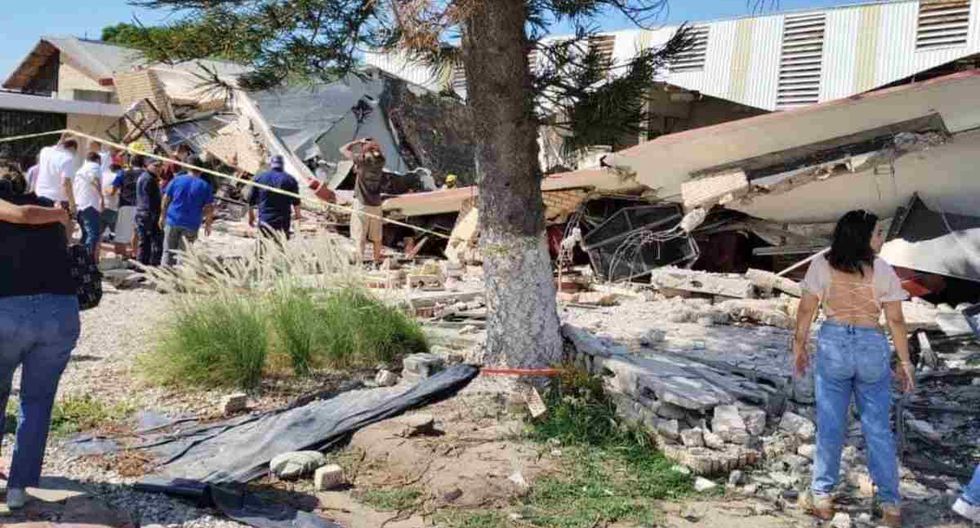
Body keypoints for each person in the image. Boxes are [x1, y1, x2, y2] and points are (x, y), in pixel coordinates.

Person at [793, 210, 915, 527]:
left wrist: (800, 346)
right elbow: (896, 320)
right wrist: (905, 362)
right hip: (871, 344)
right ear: (861, 237)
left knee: (831, 424)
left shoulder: (822, 264)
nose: (881, 238)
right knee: (877, 429)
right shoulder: (883, 270)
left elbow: (806, 309)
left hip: (834, 343)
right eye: (877, 233)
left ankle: (822, 498)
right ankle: (890, 506)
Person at [0, 168, 79, 511]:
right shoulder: (49, 208)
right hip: (59, 311)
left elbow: (20, 215)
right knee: (37, 401)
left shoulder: (13, 210)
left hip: (7, 310)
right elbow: (70, 233)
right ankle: (19, 488)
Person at [160, 158, 214, 266]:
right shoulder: (205, 186)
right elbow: (208, 208)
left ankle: (164, 278)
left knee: (167, 252)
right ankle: (179, 280)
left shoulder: (177, 180)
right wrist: (208, 224)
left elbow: (166, 198)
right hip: (191, 224)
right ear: (201, 170)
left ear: (187, 167)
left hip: (172, 220)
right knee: (183, 256)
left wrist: (162, 216)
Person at [340, 138, 385, 263]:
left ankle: (360, 262)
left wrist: (357, 142)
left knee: (360, 235)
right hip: (376, 204)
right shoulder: (380, 161)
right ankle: (376, 260)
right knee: (377, 236)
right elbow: (379, 152)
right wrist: (374, 145)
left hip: (362, 203)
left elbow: (343, 149)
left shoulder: (362, 161)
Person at [248, 155, 301, 239]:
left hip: (265, 220)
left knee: (263, 246)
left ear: (271, 164)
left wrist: (251, 217)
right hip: (283, 221)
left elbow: (251, 200)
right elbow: (296, 201)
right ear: (282, 165)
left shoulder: (259, 178)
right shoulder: (290, 179)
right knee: (281, 247)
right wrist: (298, 216)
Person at [73, 152, 104, 260]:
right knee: (93, 234)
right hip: (91, 204)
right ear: (98, 160)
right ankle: (88, 260)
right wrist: (101, 197)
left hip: (80, 204)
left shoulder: (80, 170)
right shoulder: (95, 167)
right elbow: (95, 181)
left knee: (85, 234)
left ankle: (80, 259)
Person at [35, 138, 78, 213]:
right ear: (72, 148)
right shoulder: (68, 158)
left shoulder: (45, 151)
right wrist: (72, 204)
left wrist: (61, 140)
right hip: (56, 200)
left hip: (39, 194)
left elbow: (55, 149)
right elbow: (66, 183)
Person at [110, 155, 141, 258]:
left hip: (126, 205)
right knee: (137, 233)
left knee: (121, 235)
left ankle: (122, 257)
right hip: (141, 206)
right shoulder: (146, 174)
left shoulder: (123, 173)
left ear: (131, 163)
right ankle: (136, 255)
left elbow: (113, 190)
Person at [135, 159, 163, 266]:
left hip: (144, 213)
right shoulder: (149, 179)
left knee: (146, 242)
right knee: (147, 242)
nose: (159, 168)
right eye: (155, 166)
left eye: (160, 166)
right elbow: (151, 201)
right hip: (147, 214)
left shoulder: (147, 177)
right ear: (148, 165)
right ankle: (143, 266)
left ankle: (144, 265)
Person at [100, 162, 123, 243]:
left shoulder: (102, 175)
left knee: (100, 230)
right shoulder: (117, 177)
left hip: (101, 205)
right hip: (112, 206)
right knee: (116, 229)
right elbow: (116, 191)